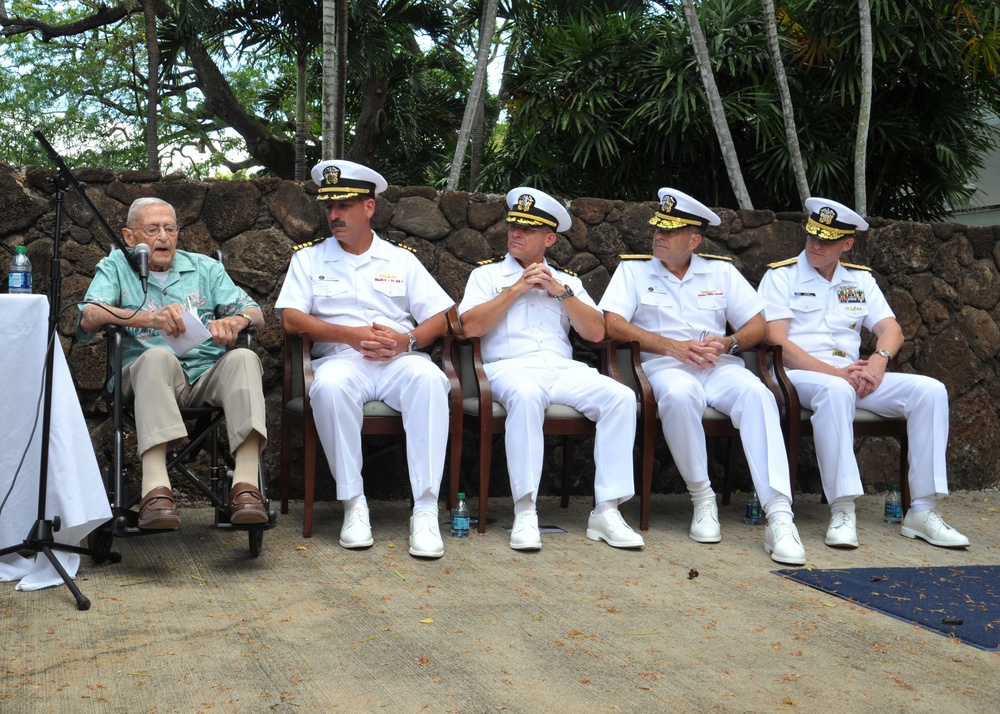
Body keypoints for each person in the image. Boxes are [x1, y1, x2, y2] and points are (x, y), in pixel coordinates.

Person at [599, 187, 806, 565]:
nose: (658, 236)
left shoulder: (720, 270)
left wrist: (729, 342)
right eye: (657, 228)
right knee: (679, 396)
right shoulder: (633, 270)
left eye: (669, 231)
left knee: (759, 396)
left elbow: (757, 325)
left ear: (694, 239)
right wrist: (670, 346)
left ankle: (779, 516)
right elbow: (612, 323)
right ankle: (702, 499)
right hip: (666, 367)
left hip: (718, 365)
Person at [758, 197, 969, 549]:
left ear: (848, 243)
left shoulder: (859, 280)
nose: (815, 244)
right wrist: (837, 374)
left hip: (855, 375)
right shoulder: (781, 276)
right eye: (812, 235)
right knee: (836, 391)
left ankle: (922, 510)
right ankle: (843, 510)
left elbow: (892, 330)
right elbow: (777, 342)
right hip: (800, 375)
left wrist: (878, 361)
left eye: (826, 239)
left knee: (930, 391)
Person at [275, 160, 453, 559]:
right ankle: (354, 504)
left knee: (429, 380)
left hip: (396, 360)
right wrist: (349, 336)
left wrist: (406, 340)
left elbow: (442, 316)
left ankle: (424, 509)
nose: (333, 215)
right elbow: (290, 318)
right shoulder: (309, 259)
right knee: (330, 387)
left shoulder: (400, 259)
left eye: (344, 207)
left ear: (369, 208)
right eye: (329, 207)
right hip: (341, 359)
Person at [458, 186, 644, 551]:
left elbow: (595, 332)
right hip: (507, 369)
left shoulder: (569, 282)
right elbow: (470, 327)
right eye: (514, 225)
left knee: (621, 397)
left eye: (526, 229)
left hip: (561, 369)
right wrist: (515, 289)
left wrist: (558, 290)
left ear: (549, 238)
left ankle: (606, 511)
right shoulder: (486, 277)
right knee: (528, 395)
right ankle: (526, 511)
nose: (515, 233)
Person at [78, 197, 268, 529]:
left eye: (170, 228)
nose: (163, 237)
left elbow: (255, 313)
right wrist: (148, 318)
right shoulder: (116, 267)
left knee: (244, 358)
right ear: (129, 236)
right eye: (152, 229)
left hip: (204, 375)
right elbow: (89, 315)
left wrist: (235, 322)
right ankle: (155, 490)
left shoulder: (205, 268)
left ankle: (246, 487)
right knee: (156, 357)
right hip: (143, 378)